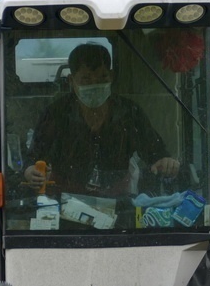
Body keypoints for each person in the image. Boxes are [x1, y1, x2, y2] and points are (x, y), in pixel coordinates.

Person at [23, 43, 179, 196]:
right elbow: (34, 157)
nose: (95, 85)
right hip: (65, 198)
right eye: (86, 79)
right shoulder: (56, 113)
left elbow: (155, 152)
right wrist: (30, 171)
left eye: (102, 78)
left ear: (111, 76)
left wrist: (165, 162)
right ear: (71, 81)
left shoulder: (129, 112)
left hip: (115, 198)